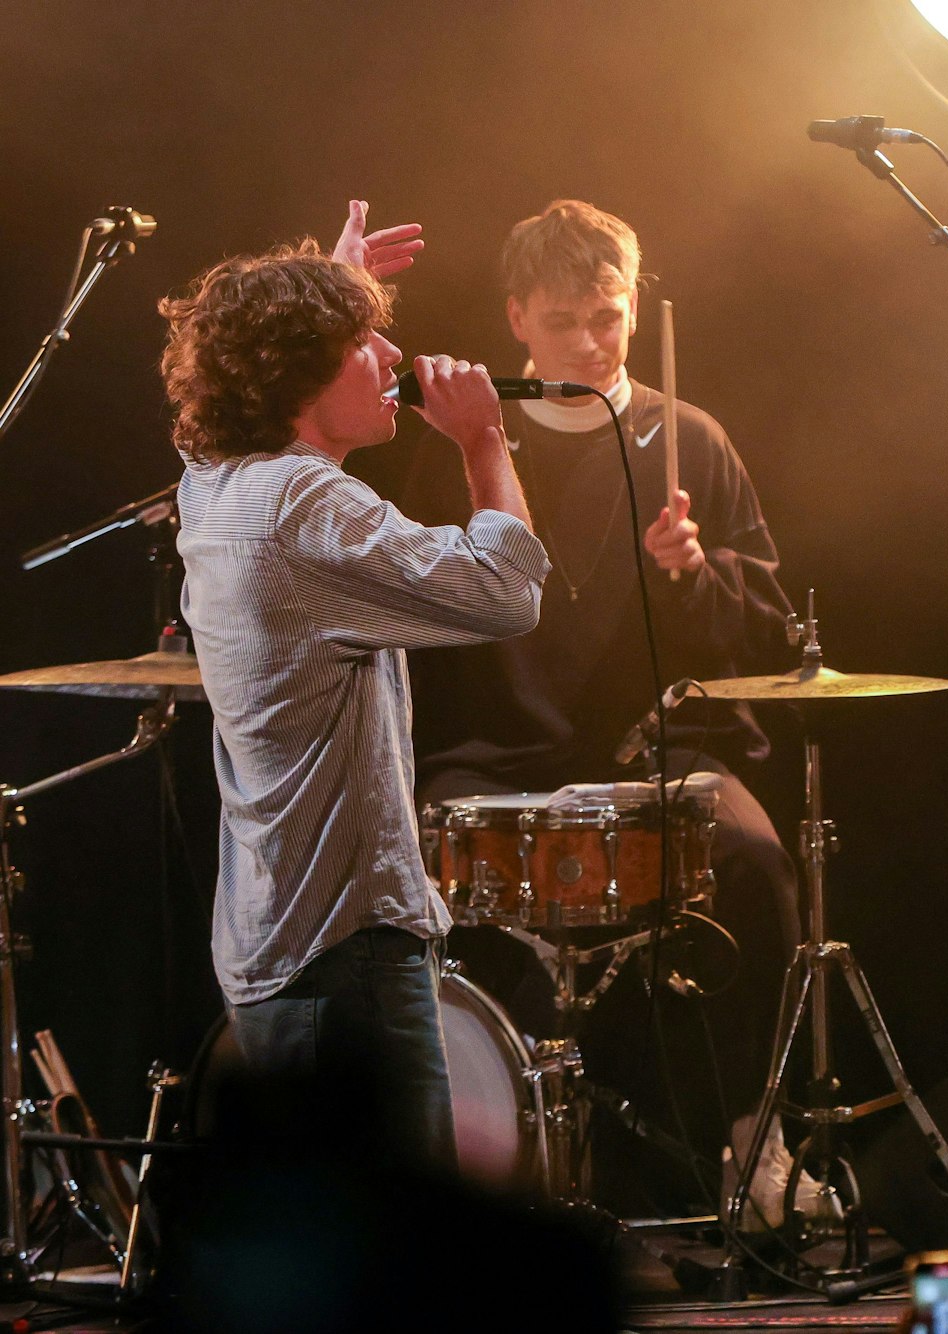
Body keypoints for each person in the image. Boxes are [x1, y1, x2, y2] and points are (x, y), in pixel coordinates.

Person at [397, 200, 806, 1220]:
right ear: (517, 317)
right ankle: (462, 1177)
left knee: (755, 862)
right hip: (496, 756)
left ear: (633, 308)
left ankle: (757, 1139)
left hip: (661, 750)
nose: (588, 341)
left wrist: (695, 573)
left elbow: (767, 640)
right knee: (411, 872)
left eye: (608, 317)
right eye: (564, 320)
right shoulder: (457, 440)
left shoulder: (691, 438)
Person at [161, 201, 549, 1168]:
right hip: (345, 955)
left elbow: (249, 369)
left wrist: (328, 295)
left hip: (275, 946)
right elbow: (504, 594)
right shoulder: (300, 501)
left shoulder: (215, 482)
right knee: (396, 1271)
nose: (393, 356)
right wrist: (483, 443)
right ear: (294, 373)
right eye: (362, 342)